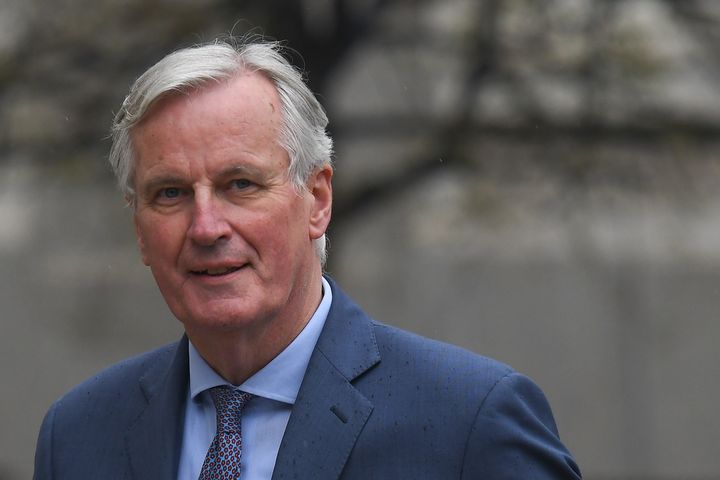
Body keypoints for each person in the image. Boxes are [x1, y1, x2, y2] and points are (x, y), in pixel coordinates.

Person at [34, 37, 582, 479]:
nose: (205, 227)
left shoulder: (469, 422)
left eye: (240, 184)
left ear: (317, 200)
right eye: (171, 193)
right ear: (139, 229)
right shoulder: (80, 437)